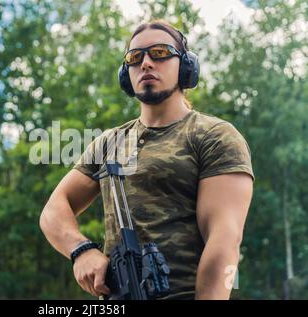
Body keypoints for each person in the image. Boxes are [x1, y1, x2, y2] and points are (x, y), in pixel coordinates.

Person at [39, 19, 254, 300]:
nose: (146, 63)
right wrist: (81, 250)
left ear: (186, 67)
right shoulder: (108, 143)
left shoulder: (214, 136)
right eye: (135, 57)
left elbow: (224, 239)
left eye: (161, 53)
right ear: (125, 73)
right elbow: (54, 210)